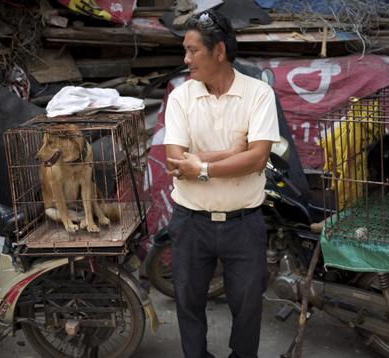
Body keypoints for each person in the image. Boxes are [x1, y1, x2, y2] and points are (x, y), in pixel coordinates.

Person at [163, 9, 280, 358]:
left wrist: (200, 165)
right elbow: (175, 160)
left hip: (244, 222)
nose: (186, 60)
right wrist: (230, 153)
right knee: (187, 301)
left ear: (219, 51)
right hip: (190, 220)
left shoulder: (258, 94)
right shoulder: (182, 96)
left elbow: (257, 159)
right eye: (185, 51)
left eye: (193, 50)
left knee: (248, 306)